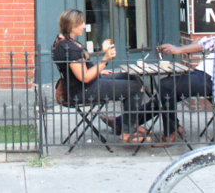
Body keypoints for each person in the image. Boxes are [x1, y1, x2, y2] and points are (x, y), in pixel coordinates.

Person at [151, 2, 215, 144]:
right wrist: (196, 43)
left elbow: (214, 43)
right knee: (166, 95)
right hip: (205, 76)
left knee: (166, 86)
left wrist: (179, 49)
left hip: (212, 81)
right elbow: (214, 41)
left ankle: (170, 133)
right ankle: (126, 123)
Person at [52, 9, 149, 143]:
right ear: (72, 26)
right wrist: (104, 60)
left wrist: (97, 70)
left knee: (132, 78)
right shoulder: (69, 48)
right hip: (84, 90)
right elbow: (84, 77)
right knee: (135, 87)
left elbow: (82, 69)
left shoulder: (63, 42)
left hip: (89, 83)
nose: (84, 26)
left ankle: (128, 124)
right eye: (81, 23)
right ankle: (127, 132)